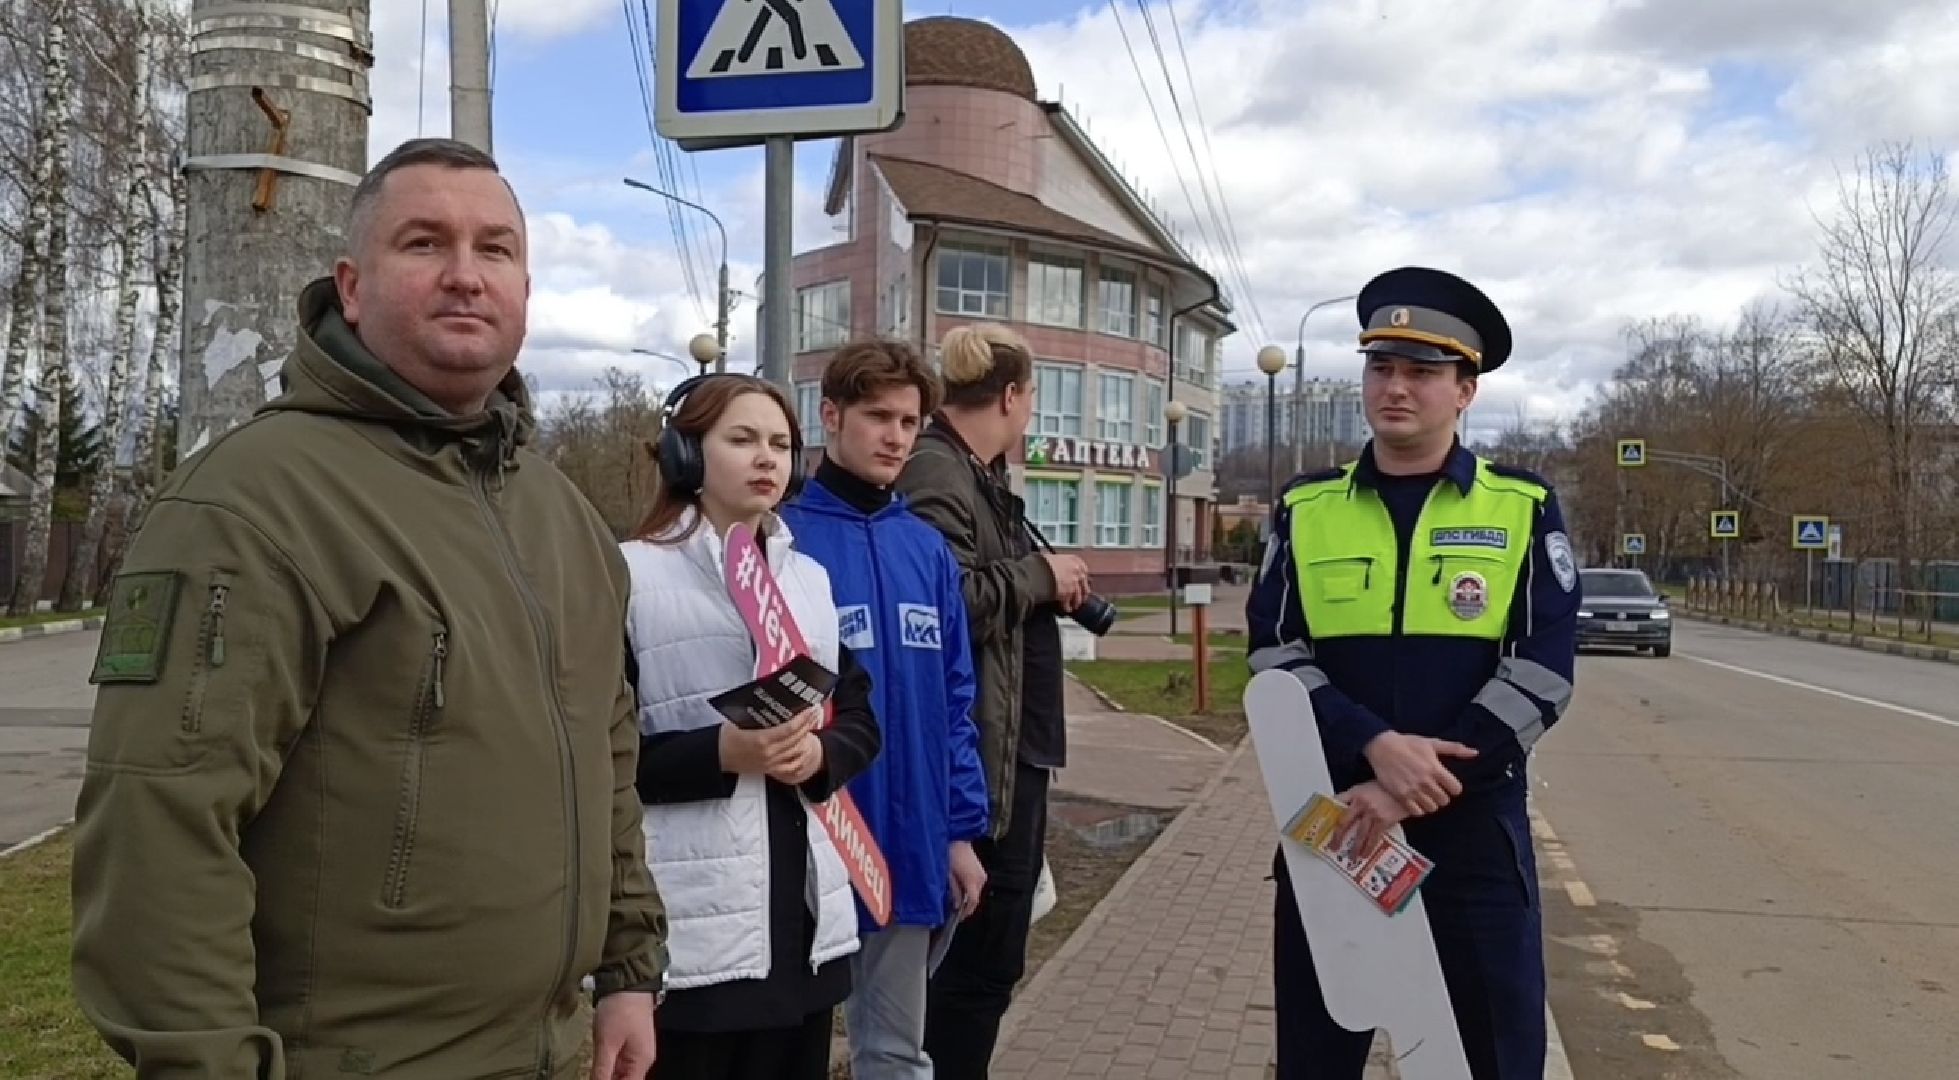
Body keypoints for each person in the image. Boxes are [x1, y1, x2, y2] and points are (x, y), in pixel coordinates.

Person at [69, 138, 667, 1079]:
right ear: (351, 286)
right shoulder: (253, 505)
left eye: (496, 249)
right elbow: (161, 821)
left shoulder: (561, 516)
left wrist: (629, 966)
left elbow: (608, 757)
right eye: (424, 244)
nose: (467, 276)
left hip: (548, 1051)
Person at [1247, 266, 1580, 1079]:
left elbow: (1543, 670)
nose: (1395, 388)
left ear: (1464, 391)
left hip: (1473, 834)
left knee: (1491, 1056)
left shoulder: (1520, 505)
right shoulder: (1304, 508)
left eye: (1422, 372)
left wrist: (1408, 783)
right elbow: (1273, 654)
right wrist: (1372, 744)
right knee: (1318, 1055)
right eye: (1380, 367)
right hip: (1336, 823)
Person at [624, 373, 882, 1080]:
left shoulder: (810, 581)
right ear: (684, 454)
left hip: (804, 931)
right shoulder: (629, 578)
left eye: (780, 443)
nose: (766, 457)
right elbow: (596, 756)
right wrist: (723, 751)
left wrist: (822, 754)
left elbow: (860, 715)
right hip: (695, 933)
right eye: (741, 439)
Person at [778, 340, 990, 1080]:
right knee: (788, 1051)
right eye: (878, 417)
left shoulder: (925, 549)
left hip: (907, 844)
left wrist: (961, 832)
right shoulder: (781, 538)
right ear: (830, 416)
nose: (896, 436)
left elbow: (957, 703)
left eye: (910, 420)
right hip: (811, 844)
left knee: (897, 1055)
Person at [895, 325, 1090, 1077]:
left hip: (1007, 751)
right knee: (972, 970)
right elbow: (941, 604)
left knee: (985, 966)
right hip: (978, 762)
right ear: (1011, 396)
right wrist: (1038, 577)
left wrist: (1039, 581)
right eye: (1030, 396)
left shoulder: (973, 474)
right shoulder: (937, 472)